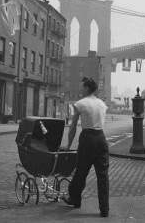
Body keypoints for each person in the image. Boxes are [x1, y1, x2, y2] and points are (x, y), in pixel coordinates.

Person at [61, 77, 109, 218]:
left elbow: (73, 126)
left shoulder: (80, 103)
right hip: (101, 138)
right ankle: (104, 209)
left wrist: (68, 144)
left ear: (87, 88)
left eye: (82, 87)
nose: (81, 89)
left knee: (81, 171)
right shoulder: (102, 104)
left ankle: (75, 198)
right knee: (103, 175)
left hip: (87, 138)